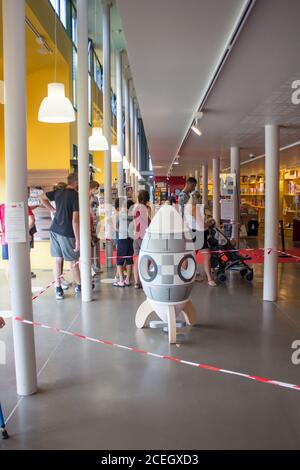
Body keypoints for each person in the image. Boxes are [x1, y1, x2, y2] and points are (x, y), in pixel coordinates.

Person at [39, 173, 81, 300]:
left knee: (57, 260)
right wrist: (78, 240)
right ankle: (80, 286)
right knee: (73, 261)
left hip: (54, 229)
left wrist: (52, 209)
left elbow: (41, 197)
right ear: (76, 182)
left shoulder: (58, 192)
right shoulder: (74, 195)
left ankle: (58, 288)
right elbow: (75, 220)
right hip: (66, 231)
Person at [188, 191, 217, 287]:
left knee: (190, 255)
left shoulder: (190, 208)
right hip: (198, 234)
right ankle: (209, 278)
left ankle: (186, 276)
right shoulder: (195, 209)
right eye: (199, 197)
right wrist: (210, 223)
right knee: (206, 255)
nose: (201, 199)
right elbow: (201, 224)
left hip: (194, 233)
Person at [114, 198, 134, 288]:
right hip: (131, 238)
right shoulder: (132, 215)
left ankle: (121, 280)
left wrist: (121, 231)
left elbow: (116, 227)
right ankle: (128, 280)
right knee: (129, 259)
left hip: (122, 238)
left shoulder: (120, 215)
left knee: (119, 260)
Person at [133, 190, 151, 289]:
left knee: (137, 259)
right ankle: (144, 279)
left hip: (136, 236)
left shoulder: (135, 208)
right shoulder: (147, 208)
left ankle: (136, 282)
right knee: (146, 258)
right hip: (144, 236)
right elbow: (148, 222)